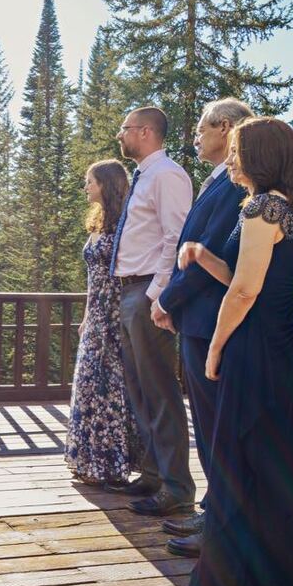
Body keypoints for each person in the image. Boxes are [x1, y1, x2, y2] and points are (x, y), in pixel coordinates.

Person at [183, 117, 293, 586]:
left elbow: (244, 292)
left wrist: (215, 347)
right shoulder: (275, 206)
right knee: (261, 456)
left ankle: (248, 582)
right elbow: (239, 274)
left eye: (239, 150)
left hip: (254, 345)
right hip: (273, 345)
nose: (232, 159)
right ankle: (261, 575)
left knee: (246, 457)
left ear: (260, 155)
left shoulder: (264, 207)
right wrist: (200, 254)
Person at [151, 98, 253, 558]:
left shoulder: (235, 184)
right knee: (208, 423)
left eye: (201, 127)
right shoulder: (219, 181)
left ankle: (221, 524)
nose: (194, 134)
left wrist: (166, 300)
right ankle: (214, 512)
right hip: (196, 319)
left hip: (209, 319)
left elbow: (207, 251)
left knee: (214, 426)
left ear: (226, 127)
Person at [105, 107, 195, 516]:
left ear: (144, 132)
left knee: (160, 391)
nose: (119, 136)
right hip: (129, 291)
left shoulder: (167, 175)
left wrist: (158, 295)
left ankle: (177, 487)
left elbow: (176, 238)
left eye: (124, 129)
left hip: (146, 293)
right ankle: (154, 474)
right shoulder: (144, 176)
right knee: (139, 389)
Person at [64, 160, 139, 485]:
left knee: (110, 389)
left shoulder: (126, 222)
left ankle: (109, 465)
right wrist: (84, 317)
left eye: (90, 182)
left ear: (105, 185)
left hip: (115, 312)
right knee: (88, 385)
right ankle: (85, 461)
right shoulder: (97, 221)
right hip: (95, 313)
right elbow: (91, 279)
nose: (86, 187)